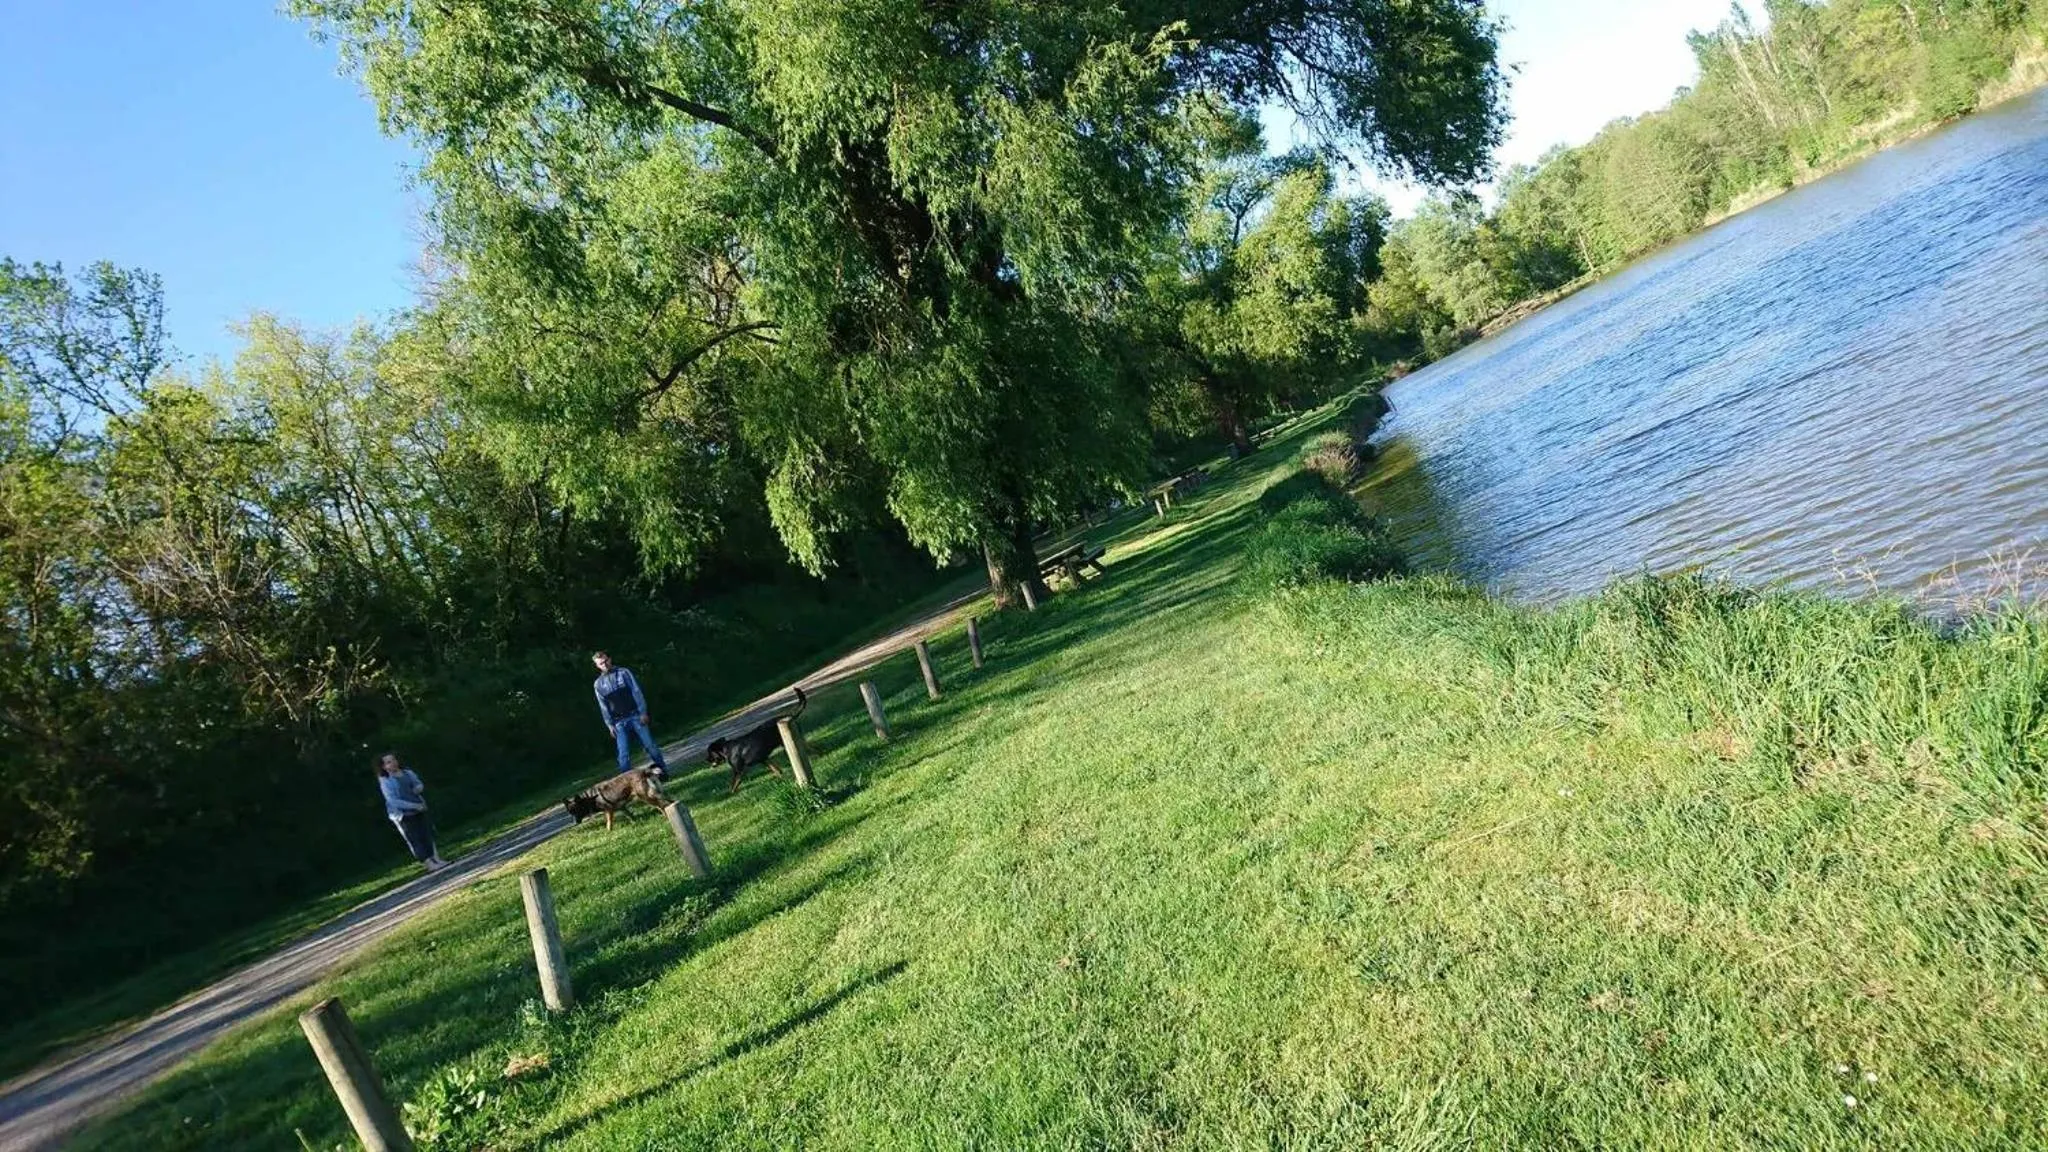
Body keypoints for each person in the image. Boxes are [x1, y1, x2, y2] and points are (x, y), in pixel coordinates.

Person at [592, 650, 669, 780]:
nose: (604, 664)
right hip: (618, 722)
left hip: (635, 716)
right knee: (623, 754)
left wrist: (643, 712)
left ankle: (663, 773)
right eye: (600, 663)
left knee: (650, 746)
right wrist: (609, 725)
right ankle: (628, 784)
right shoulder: (598, 684)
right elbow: (603, 706)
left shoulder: (623, 673)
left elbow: (636, 692)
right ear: (597, 666)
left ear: (610, 659)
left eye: (605, 661)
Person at [376, 752, 448, 872]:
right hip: (402, 814)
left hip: (419, 808)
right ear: (384, 767)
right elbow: (393, 801)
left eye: (393, 760)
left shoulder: (407, 773)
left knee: (427, 835)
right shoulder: (385, 781)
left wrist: (419, 788)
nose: (393, 763)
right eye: (388, 762)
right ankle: (429, 864)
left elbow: (418, 783)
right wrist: (413, 806)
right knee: (415, 839)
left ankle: (437, 859)